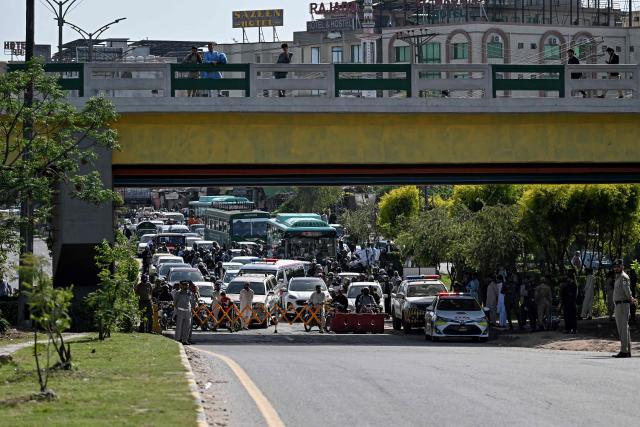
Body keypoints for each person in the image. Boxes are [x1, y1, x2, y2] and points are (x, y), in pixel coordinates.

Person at [612, 260, 635, 358]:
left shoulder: (623, 277)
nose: (616, 268)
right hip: (619, 305)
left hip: (622, 305)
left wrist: (630, 299)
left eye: (618, 266)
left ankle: (624, 351)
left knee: (623, 328)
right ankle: (627, 351)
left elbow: (627, 290)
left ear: (622, 266)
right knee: (624, 328)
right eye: (615, 266)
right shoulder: (618, 277)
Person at [173, 281, 193, 345]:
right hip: (180, 311)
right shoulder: (178, 293)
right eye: (184, 285)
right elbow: (175, 303)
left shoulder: (190, 293)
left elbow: (191, 302)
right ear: (181, 286)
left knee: (187, 326)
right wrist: (178, 309)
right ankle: (177, 339)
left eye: (187, 285)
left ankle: (185, 340)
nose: (186, 286)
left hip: (188, 311)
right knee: (179, 326)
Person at [561, 270, 578, 334]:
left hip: (571, 303)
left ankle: (573, 329)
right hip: (567, 303)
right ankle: (568, 328)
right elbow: (563, 294)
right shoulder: (566, 285)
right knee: (567, 316)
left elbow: (573, 295)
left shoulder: (573, 285)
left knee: (572, 316)